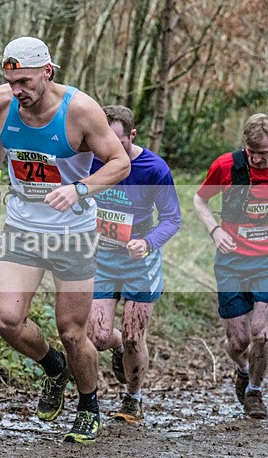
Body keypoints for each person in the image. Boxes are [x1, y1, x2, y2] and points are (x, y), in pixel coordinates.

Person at [0, 37, 130, 443]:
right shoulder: (2, 102)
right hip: (23, 228)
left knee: (72, 331)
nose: (17, 91)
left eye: (25, 82)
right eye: (11, 82)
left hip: (72, 234)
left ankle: (88, 405)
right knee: (5, 319)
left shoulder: (80, 111)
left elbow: (120, 162)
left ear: (47, 72)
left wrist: (79, 189)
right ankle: (53, 367)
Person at [86, 105, 182, 424]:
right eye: (104, 140)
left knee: (133, 335)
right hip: (102, 256)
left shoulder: (154, 168)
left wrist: (148, 242)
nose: (110, 148)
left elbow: (172, 218)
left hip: (139, 259)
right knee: (99, 336)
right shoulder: (90, 160)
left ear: (132, 135)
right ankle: (118, 350)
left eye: (118, 141)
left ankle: (133, 397)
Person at [193, 113, 268, 420]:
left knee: (262, 334)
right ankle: (244, 369)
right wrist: (215, 230)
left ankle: (254, 392)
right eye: (252, 153)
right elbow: (199, 201)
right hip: (232, 263)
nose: (258, 160)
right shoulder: (226, 166)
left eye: (264, 154)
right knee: (240, 342)